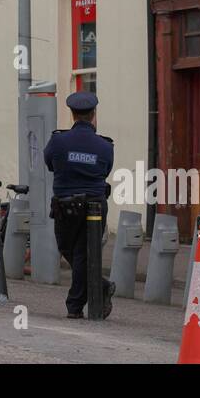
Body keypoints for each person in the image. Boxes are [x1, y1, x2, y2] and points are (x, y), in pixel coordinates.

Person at [45, 91, 115, 319]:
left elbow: (49, 163)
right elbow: (105, 170)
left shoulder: (58, 141)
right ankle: (100, 285)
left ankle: (74, 305)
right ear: (93, 114)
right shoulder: (105, 146)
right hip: (94, 205)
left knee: (71, 250)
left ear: (73, 114)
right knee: (83, 254)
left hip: (66, 206)